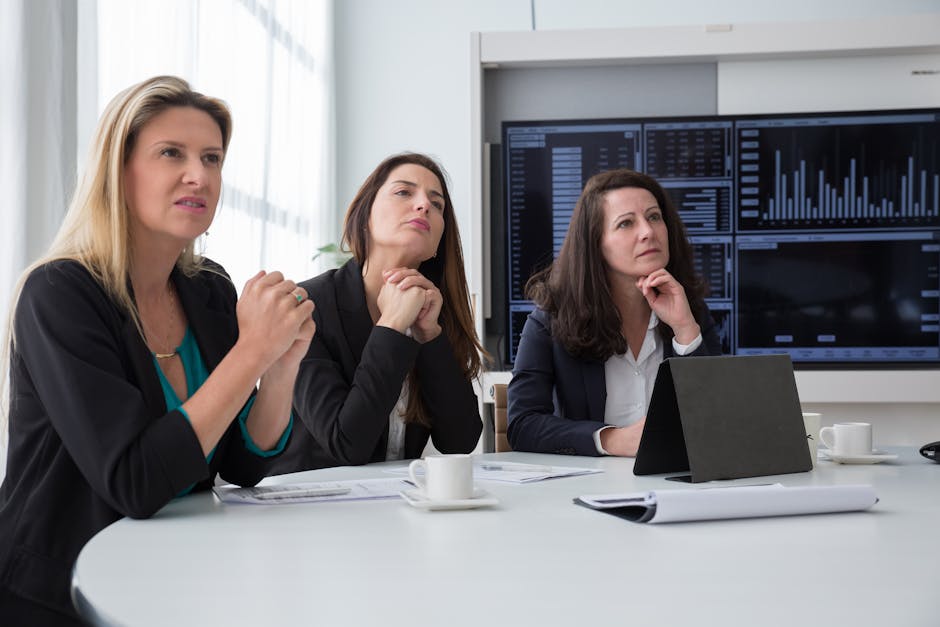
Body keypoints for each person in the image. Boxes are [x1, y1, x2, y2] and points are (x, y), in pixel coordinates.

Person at [0, 76, 315, 625]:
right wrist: (251, 353)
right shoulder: (59, 294)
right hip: (60, 594)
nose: (200, 175)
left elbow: (243, 464)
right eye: (172, 153)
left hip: (171, 580)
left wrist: (280, 365)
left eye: (212, 158)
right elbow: (135, 481)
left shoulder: (209, 288)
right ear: (118, 170)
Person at [271, 153, 483, 473]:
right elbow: (346, 444)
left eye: (437, 204)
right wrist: (392, 326)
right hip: (311, 497)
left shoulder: (434, 312)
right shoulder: (307, 306)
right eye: (404, 192)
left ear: (438, 242)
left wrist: (430, 336)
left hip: (398, 498)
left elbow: (460, 441)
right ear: (365, 215)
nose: (424, 205)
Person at [507, 169, 720, 457]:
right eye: (626, 223)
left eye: (654, 217)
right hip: (590, 482)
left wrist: (684, 330)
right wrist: (612, 439)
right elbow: (522, 425)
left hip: (674, 480)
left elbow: (717, 420)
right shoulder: (551, 318)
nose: (648, 232)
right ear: (595, 243)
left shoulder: (692, 311)